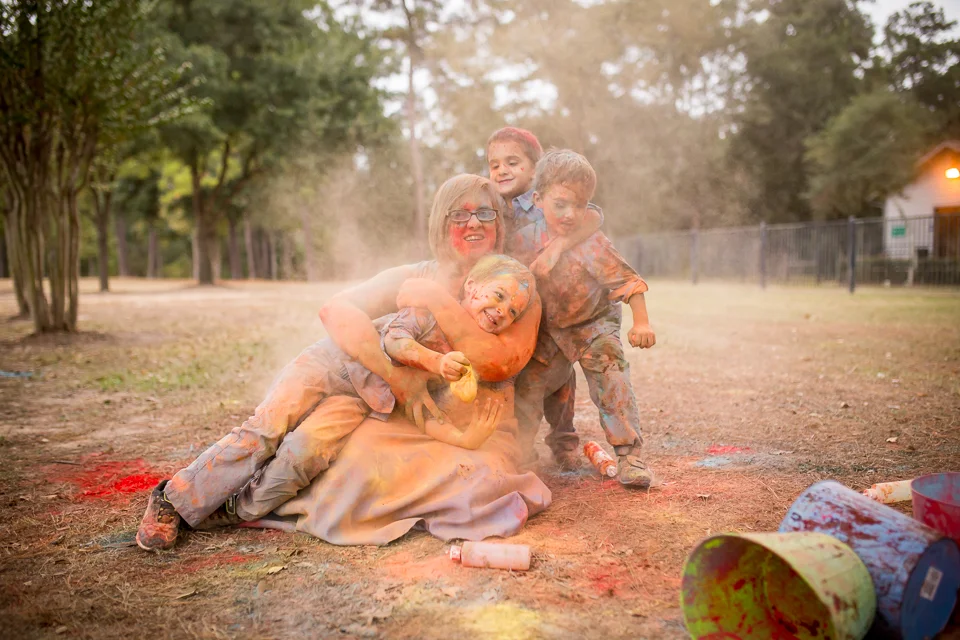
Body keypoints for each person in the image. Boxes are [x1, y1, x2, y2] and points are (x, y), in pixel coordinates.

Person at [136, 174, 548, 550]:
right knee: (266, 427)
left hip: (373, 400)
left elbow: (497, 361)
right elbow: (337, 311)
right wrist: (399, 375)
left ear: (500, 223)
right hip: (341, 367)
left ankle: (231, 511)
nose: (473, 223)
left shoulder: (513, 287)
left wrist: (436, 304)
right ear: (442, 222)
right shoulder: (416, 275)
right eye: (460, 214)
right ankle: (173, 498)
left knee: (303, 452)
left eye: (484, 213)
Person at [510, 149, 656, 488]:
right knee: (530, 386)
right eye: (560, 204)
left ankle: (629, 456)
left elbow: (628, 283)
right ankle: (519, 453)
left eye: (579, 205)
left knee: (611, 376)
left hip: (593, 324)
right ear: (538, 199)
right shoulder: (524, 240)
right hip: (549, 328)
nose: (570, 214)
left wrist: (642, 323)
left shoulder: (592, 243)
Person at [486, 127, 603, 470]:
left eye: (512, 162)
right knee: (520, 379)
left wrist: (559, 245)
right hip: (515, 306)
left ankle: (564, 442)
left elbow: (595, 215)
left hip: (553, 306)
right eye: (494, 165)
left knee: (560, 378)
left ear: (535, 169)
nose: (502, 171)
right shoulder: (492, 204)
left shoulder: (546, 201)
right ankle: (518, 446)